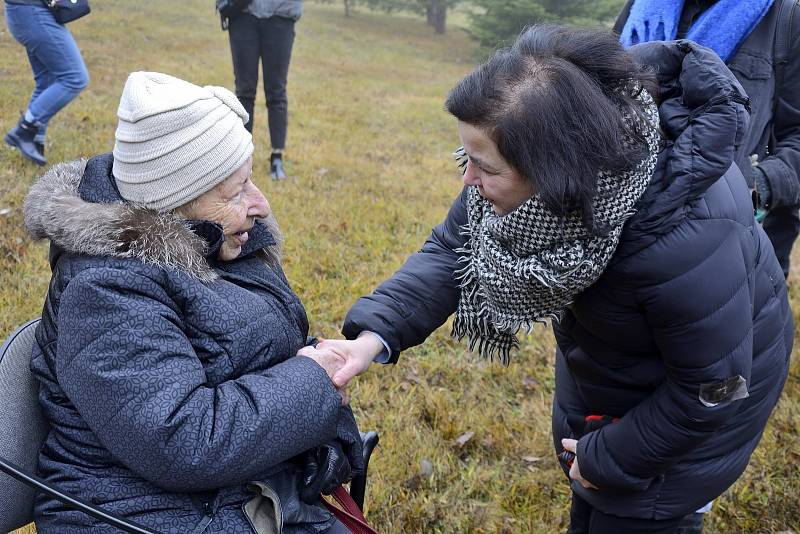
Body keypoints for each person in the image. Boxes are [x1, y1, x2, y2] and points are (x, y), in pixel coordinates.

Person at [317, 26, 793, 533]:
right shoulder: (550, 171)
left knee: (637, 511)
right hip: (618, 370)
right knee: (592, 506)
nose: (467, 182)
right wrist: (371, 339)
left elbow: (714, 389)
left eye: (482, 167)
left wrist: (609, 456)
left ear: (554, 172)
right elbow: (451, 247)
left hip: (700, 408)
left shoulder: (683, 241)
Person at [22, 71, 359, 533]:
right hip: (142, 515)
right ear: (174, 203)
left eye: (250, 181)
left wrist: (314, 377)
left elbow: (244, 349)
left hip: (230, 494)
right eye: (235, 191)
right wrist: (312, 381)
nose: (259, 204)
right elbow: (184, 440)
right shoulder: (104, 292)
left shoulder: (214, 242)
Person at [615, 0, 800, 277]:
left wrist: (758, 185)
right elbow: (598, 96)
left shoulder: (785, 18)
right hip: (622, 235)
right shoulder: (642, 9)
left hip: (726, 251)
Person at [3, 0, 90, 166]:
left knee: (47, 80)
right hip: (32, 12)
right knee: (75, 78)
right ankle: (25, 129)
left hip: (27, 12)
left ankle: (36, 141)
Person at [225, 0, 302, 180]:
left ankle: (277, 157)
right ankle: (241, 157)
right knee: (244, 92)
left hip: (281, 14)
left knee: (276, 92)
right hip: (243, 13)